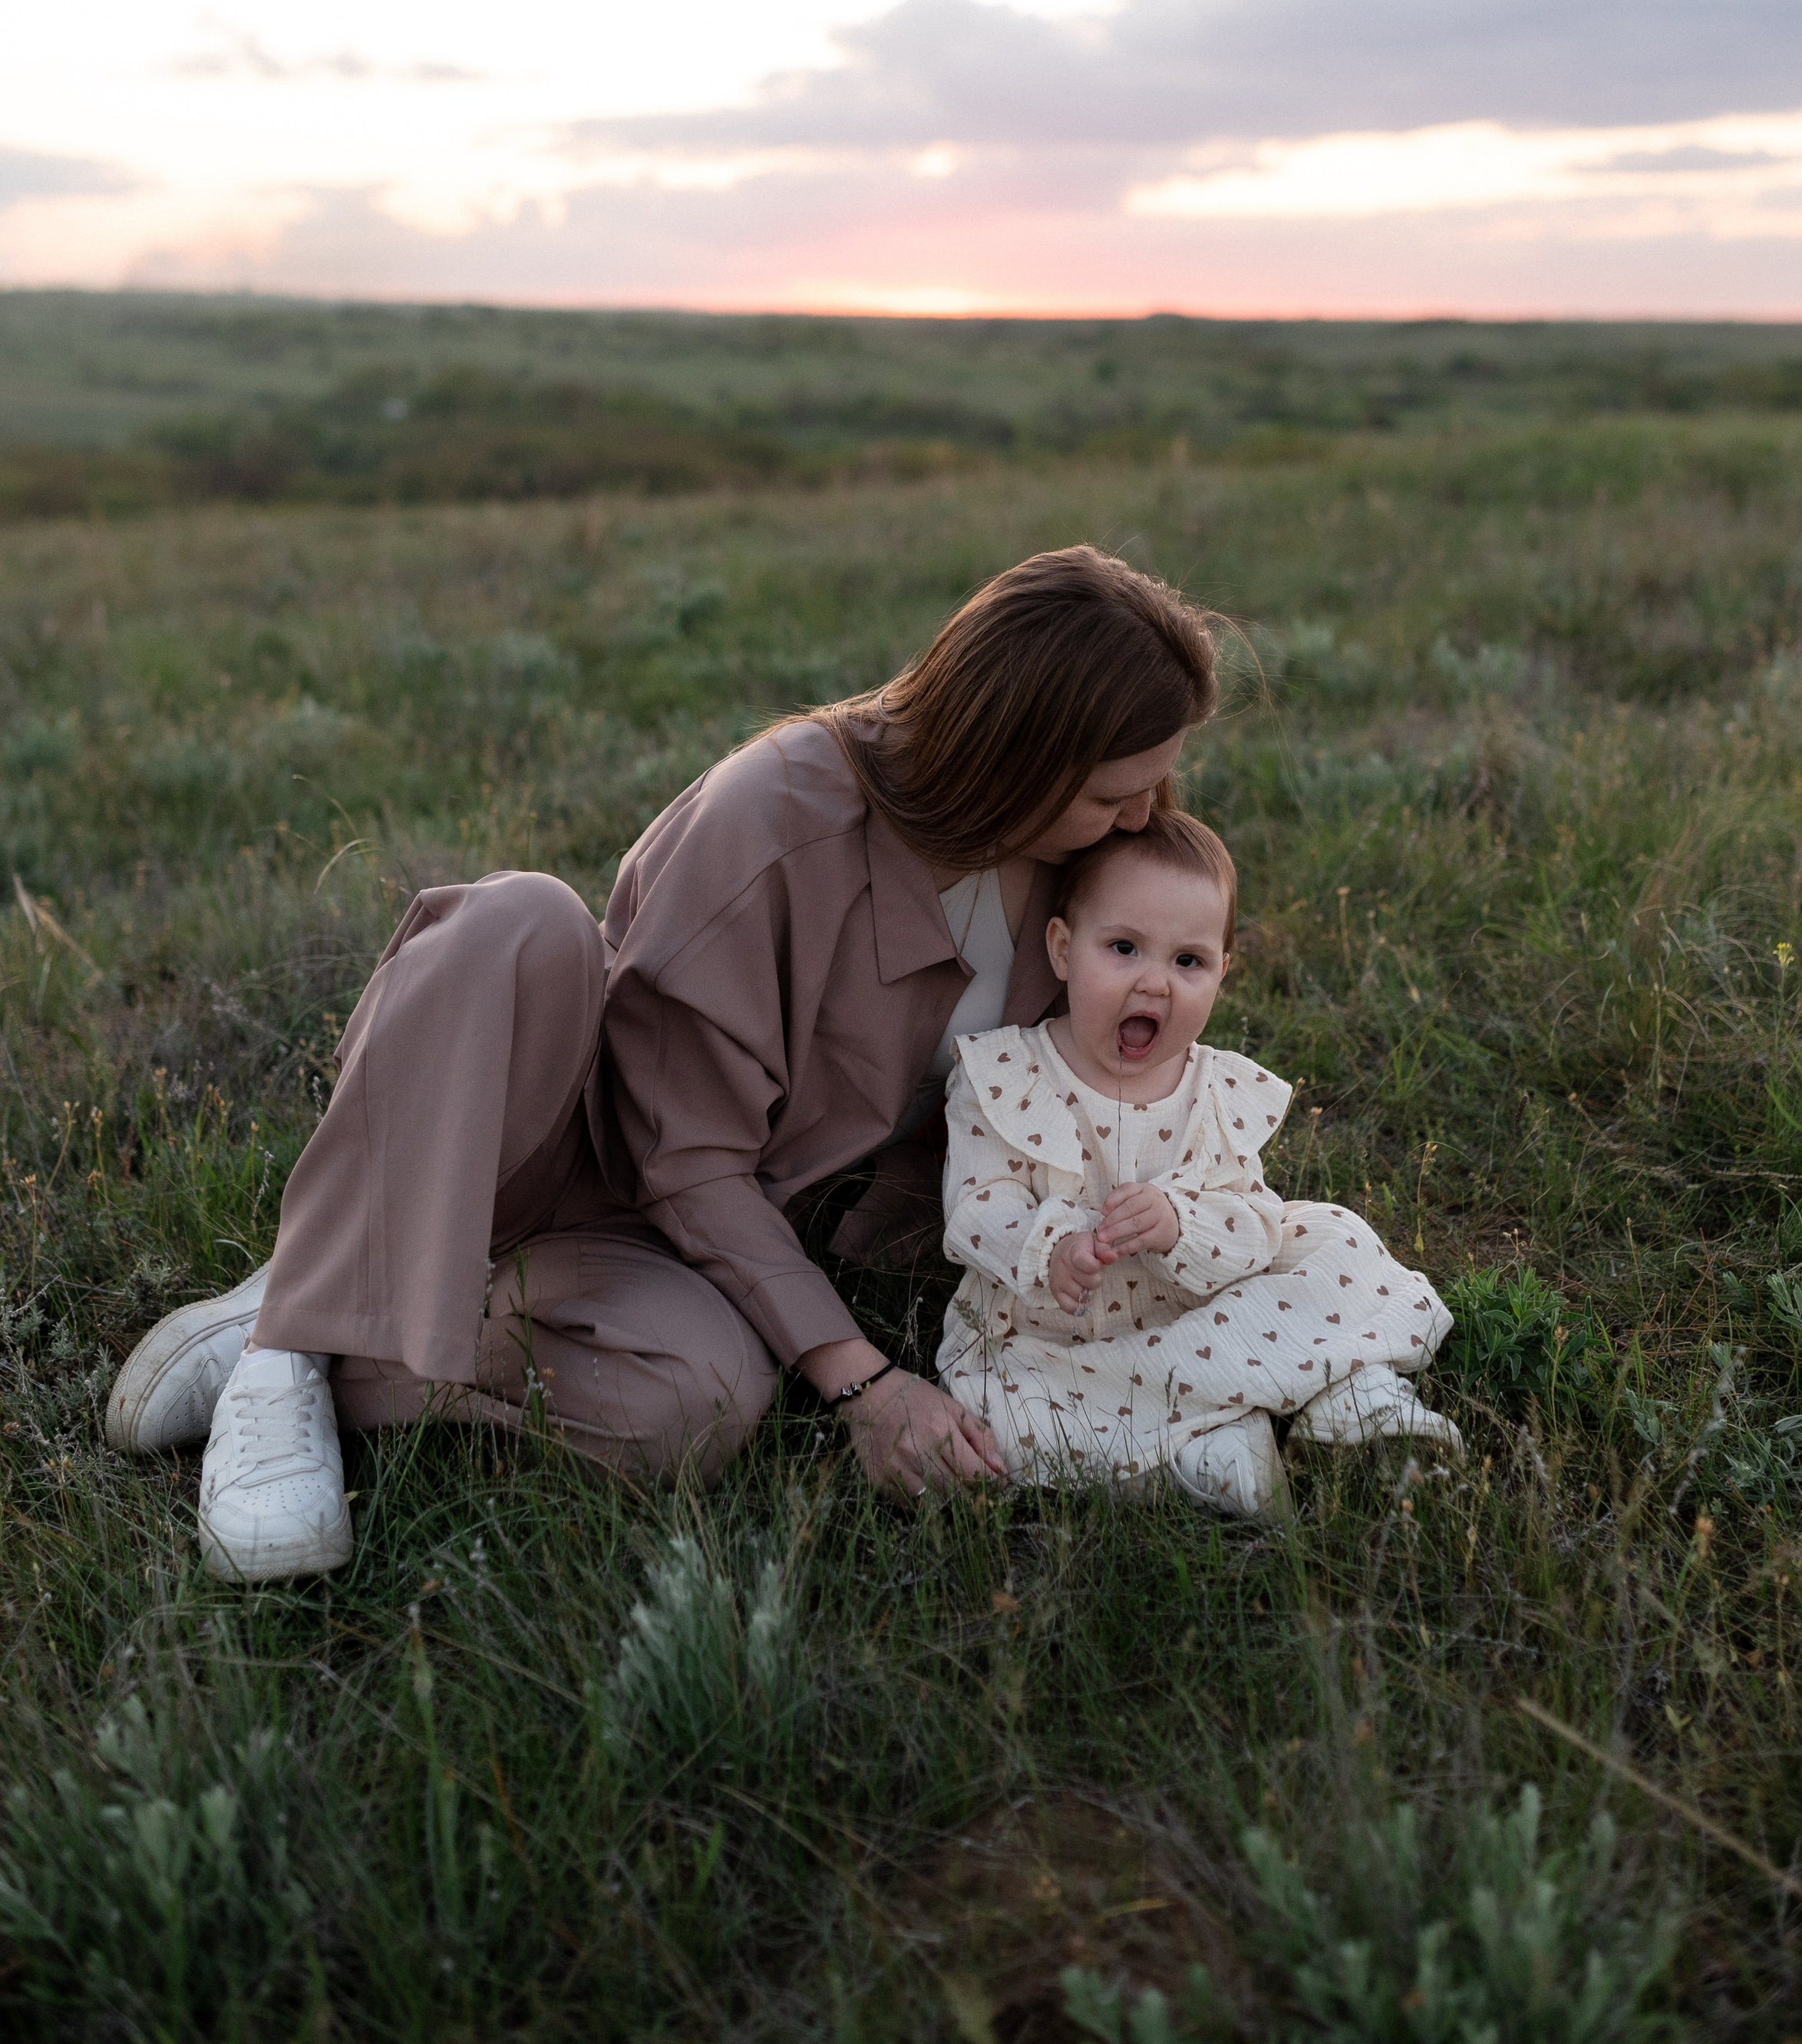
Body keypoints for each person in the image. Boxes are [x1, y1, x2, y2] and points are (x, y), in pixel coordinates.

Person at [106, 546, 1219, 1580]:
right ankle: (282, 1351)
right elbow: (679, 1151)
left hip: (679, 1248)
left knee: (706, 1401)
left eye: (1157, 785)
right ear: (1010, 752)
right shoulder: (777, 808)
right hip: (556, 1148)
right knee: (522, 921)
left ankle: (318, 1309)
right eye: (1112, 791)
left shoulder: (1082, 862)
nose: (1142, 816)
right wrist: (865, 1381)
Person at [936, 806, 1458, 1521]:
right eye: (1123, 947)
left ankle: (1355, 1397)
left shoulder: (1216, 1093)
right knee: (1000, 1403)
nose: (1155, 982)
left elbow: (1252, 1227)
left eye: (1188, 961)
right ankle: (1205, 1451)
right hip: (1059, 1335)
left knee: (1333, 1244)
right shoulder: (1007, 1076)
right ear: (1063, 948)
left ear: (1222, 971)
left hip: (1210, 1312)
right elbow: (973, 1203)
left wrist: (1182, 1222)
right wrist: (1048, 1245)